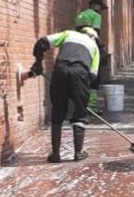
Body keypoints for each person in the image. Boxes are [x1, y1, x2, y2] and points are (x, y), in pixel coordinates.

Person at [30, 27, 100, 163]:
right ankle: (78, 153)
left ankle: (55, 154)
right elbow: (92, 76)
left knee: (58, 111)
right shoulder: (94, 47)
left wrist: (38, 64)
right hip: (81, 73)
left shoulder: (69, 34)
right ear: (93, 37)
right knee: (80, 114)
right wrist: (79, 96)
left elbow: (42, 43)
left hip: (60, 71)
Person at [75, 0, 108, 110]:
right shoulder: (96, 16)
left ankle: (81, 103)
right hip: (90, 44)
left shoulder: (80, 15)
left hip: (78, 45)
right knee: (95, 74)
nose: (101, 11)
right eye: (101, 8)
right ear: (96, 6)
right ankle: (92, 105)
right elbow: (95, 32)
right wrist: (100, 49)